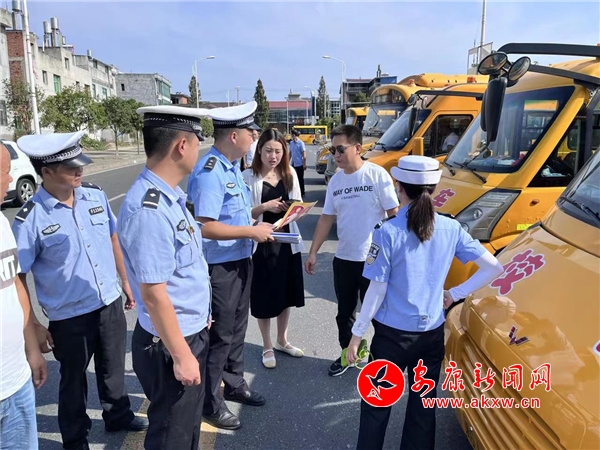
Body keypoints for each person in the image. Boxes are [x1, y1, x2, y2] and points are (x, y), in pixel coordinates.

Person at [346, 155, 504, 450]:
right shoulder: (451, 228)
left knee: (376, 407)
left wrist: (357, 334)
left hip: (391, 337)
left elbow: (377, 289)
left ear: (398, 187)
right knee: (422, 409)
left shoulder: (387, 231)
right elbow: (494, 267)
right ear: (433, 188)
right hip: (431, 334)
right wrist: (454, 293)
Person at [11, 131, 148, 450]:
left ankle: (118, 415)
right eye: (71, 166)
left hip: (107, 301)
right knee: (73, 381)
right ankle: (75, 438)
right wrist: (33, 323)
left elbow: (112, 237)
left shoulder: (95, 196)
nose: (79, 170)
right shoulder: (30, 219)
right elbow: (18, 276)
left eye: (80, 163)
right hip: (69, 316)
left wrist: (126, 282)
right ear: (47, 172)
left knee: (113, 367)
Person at [118, 105, 212, 449]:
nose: (199, 150)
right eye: (198, 142)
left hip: (187, 331)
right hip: (171, 344)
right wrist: (182, 355)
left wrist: (200, 315)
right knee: (171, 434)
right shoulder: (150, 210)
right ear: (182, 146)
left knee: (186, 429)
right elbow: (154, 294)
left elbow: (183, 272)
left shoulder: (170, 198)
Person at [187, 101, 272, 431]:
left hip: (239, 259)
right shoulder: (210, 171)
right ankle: (210, 402)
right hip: (219, 267)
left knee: (237, 329)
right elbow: (205, 226)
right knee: (220, 335)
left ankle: (234, 383)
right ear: (234, 136)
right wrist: (251, 231)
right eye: (251, 133)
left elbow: (233, 216)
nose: (254, 138)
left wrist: (258, 219)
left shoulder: (231, 167)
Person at [304, 124, 399, 377]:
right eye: (332, 149)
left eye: (340, 149)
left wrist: (395, 254)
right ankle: (348, 354)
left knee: (379, 315)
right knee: (345, 313)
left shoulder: (377, 175)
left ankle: (379, 362)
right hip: (344, 259)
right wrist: (313, 252)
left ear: (357, 148)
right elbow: (326, 218)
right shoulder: (336, 181)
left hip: (374, 260)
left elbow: (394, 214)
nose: (335, 154)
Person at [242, 128, 305, 369]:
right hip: (261, 244)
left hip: (285, 242)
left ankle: (282, 340)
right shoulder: (248, 176)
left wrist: (293, 210)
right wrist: (265, 207)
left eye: (278, 151)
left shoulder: (289, 173)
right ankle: (267, 345)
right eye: (268, 150)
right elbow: (242, 213)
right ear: (259, 150)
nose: (273, 156)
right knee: (264, 295)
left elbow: (298, 205)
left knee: (286, 293)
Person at [0, 143, 47, 450]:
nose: (9, 179)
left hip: (15, 383)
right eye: (4, 171)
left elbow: (15, 287)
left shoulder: (2, 224)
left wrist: (32, 349)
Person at [289, 129, 307, 196]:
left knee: (300, 179)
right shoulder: (291, 143)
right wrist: (287, 162)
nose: (291, 136)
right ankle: (295, 192)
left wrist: (304, 164)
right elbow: (290, 153)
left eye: (291, 134)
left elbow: (304, 154)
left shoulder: (301, 143)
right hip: (293, 164)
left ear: (294, 135)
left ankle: (302, 192)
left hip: (299, 164)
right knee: (293, 179)